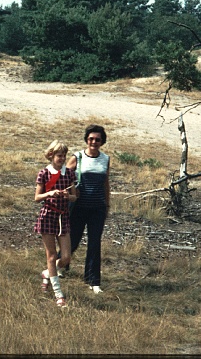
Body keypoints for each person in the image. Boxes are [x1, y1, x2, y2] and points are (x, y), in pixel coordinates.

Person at [64, 124, 110, 294]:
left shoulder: (105, 159)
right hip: (79, 207)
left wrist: (107, 204)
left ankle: (93, 280)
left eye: (97, 139)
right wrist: (72, 191)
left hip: (97, 208)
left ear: (102, 142)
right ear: (86, 140)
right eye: (91, 139)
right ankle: (62, 264)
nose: (94, 142)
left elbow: (106, 183)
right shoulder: (77, 157)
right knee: (73, 239)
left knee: (94, 243)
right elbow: (65, 177)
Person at [33, 140, 77, 307]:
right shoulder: (44, 173)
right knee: (51, 256)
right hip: (48, 215)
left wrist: (68, 196)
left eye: (64, 156)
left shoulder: (70, 174)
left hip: (63, 216)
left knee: (66, 257)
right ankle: (59, 294)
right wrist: (50, 193)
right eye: (59, 155)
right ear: (51, 156)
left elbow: (75, 196)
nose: (62, 158)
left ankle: (47, 273)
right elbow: (37, 197)